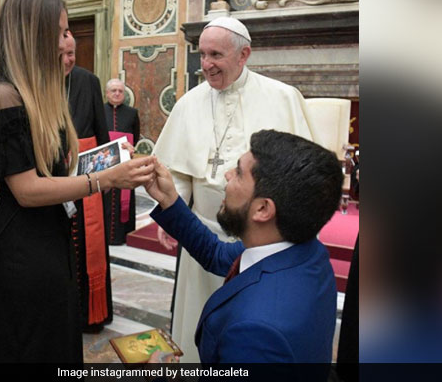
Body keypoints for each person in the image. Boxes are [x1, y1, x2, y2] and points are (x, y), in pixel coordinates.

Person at [0, 0, 154, 363]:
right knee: (35, 348)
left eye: (68, 30)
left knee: (59, 340)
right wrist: (107, 179)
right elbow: (27, 190)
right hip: (25, 248)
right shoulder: (2, 95)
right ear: (33, 32)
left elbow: (52, 168)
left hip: (52, 237)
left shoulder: (37, 91)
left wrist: (108, 160)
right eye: (60, 31)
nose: (67, 40)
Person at [152, 16, 319, 362]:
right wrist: (174, 213)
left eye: (216, 55)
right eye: (202, 55)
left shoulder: (283, 97)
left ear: (244, 54)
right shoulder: (188, 103)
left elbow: (302, 175)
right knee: (198, 322)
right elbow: (177, 172)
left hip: (262, 239)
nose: (207, 65)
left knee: (252, 331)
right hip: (201, 231)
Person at [146, 130, 341, 364]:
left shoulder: (255, 332)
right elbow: (216, 254)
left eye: (239, 173)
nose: (226, 175)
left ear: (262, 209)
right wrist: (169, 200)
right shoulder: (302, 250)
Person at [62, 33, 114, 331]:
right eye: (64, 53)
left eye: (73, 53)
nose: (70, 59)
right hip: (56, 177)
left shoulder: (88, 81)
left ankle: (93, 315)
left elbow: (101, 130)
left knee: (89, 243)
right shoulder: (38, 80)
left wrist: (108, 170)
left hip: (88, 173)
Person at [104, 79, 141, 245]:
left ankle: (121, 235)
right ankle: (104, 234)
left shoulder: (132, 113)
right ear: (107, 93)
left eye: (120, 91)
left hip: (124, 164)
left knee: (122, 200)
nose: (117, 93)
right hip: (104, 163)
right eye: (113, 90)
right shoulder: (99, 111)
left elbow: (135, 135)